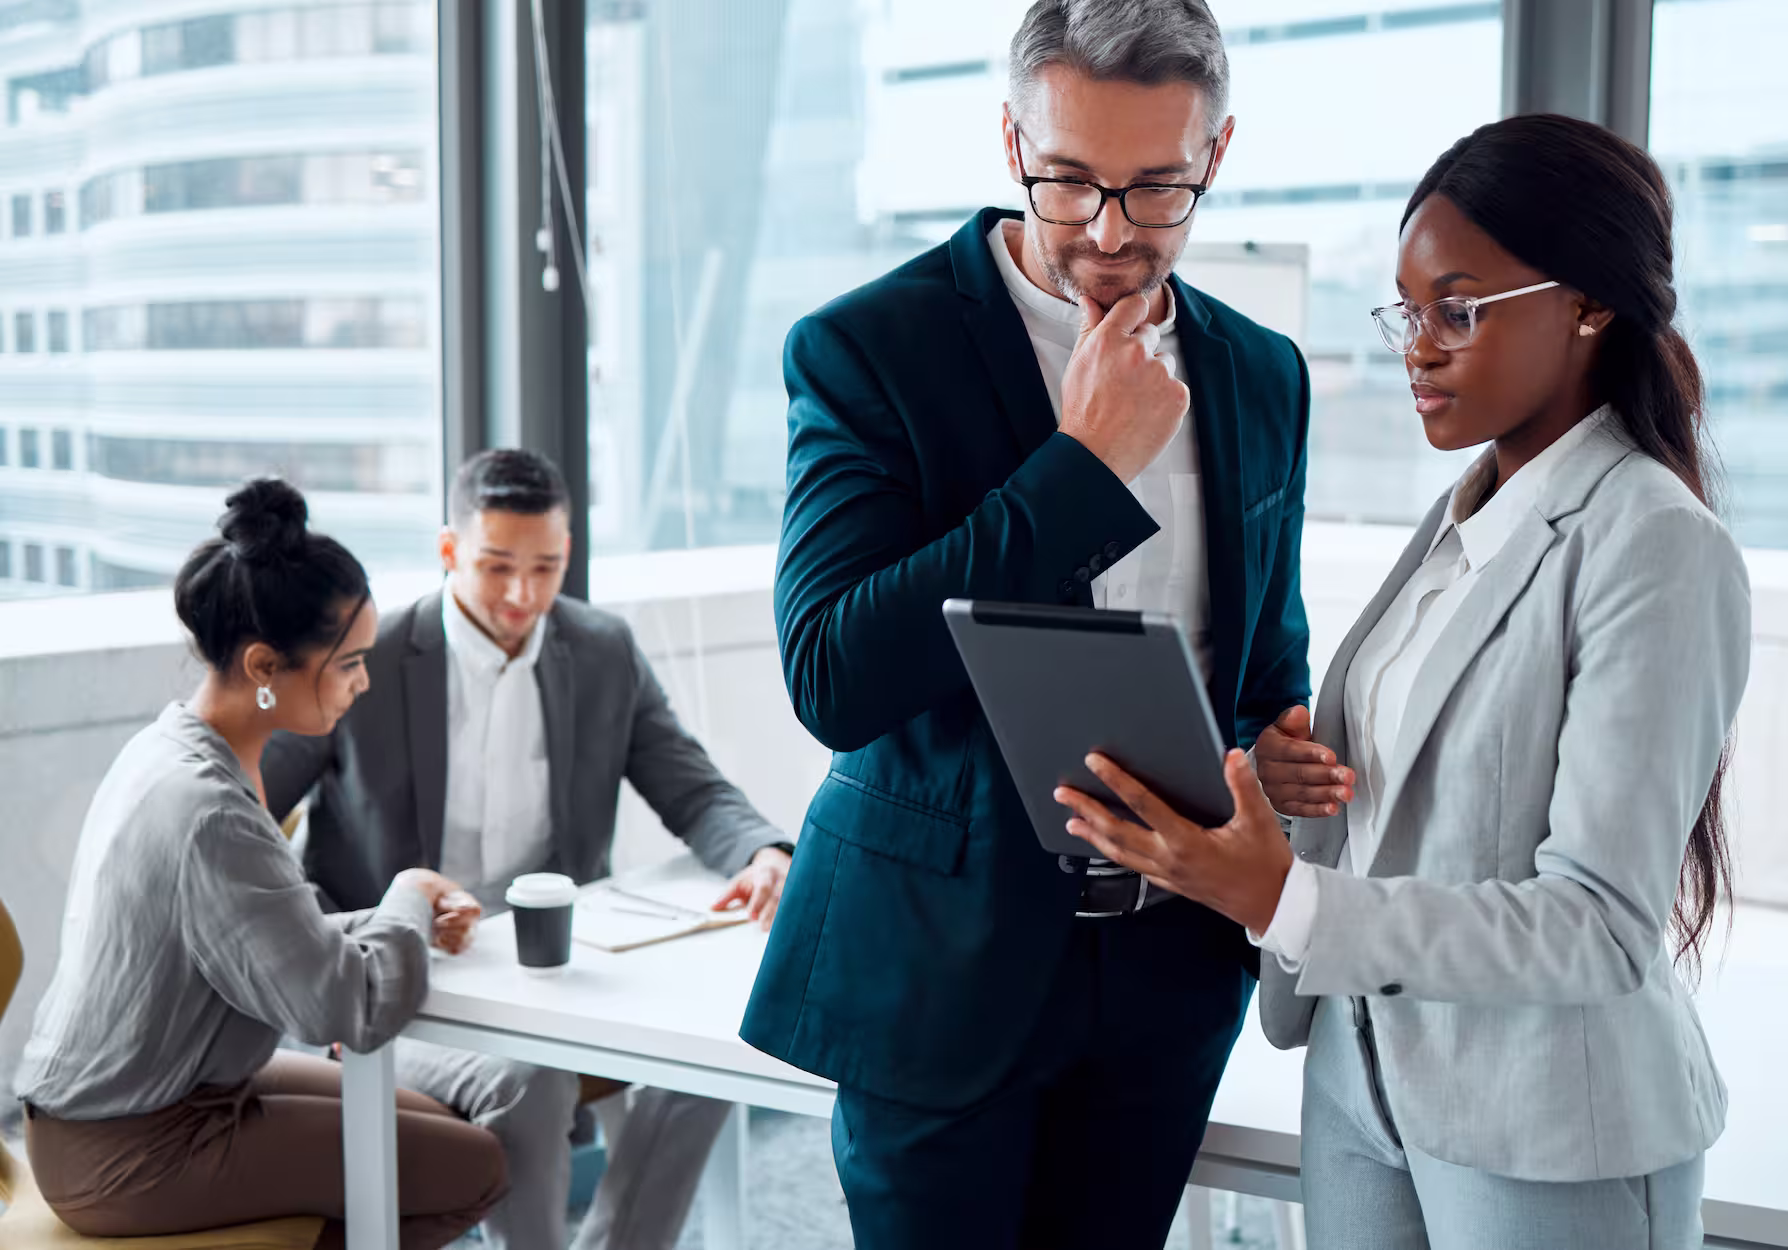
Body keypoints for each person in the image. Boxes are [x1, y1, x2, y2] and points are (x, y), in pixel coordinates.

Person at [1057, 113, 1750, 1250]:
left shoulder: (1654, 543)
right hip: (1364, 1080)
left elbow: (1595, 927)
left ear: (1589, 303)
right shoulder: (1462, 516)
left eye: (1459, 310)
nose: (1417, 345)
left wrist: (1283, 898)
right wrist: (1300, 778)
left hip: (1545, 1120)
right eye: (1408, 310)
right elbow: (1419, 794)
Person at [740, 2, 1313, 1246]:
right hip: (940, 968)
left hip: (1168, 976)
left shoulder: (1264, 372)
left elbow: (1261, 656)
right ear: (1012, 140)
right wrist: (1081, 470)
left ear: (1215, 156)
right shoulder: (866, 348)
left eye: (1157, 190)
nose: (1108, 232)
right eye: (1068, 181)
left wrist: (1276, 740)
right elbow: (834, 671)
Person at [262, 448, 794, 1250]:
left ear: (569, 552)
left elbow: (694, 789)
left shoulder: (603, 649)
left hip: (556, 972)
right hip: (409, 982)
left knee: (727, 1039)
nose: (523, 594)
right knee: (532, 1081)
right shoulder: (364, 661)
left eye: (546, 567)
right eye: (497, 566)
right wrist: (322, 959)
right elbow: (248, 812)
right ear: (450, 552)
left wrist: (763, 853)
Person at [12, 479, 506, 1250]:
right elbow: (348, 1011)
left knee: (429, 1126)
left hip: (143, 1102)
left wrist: (388, 919)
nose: (363, 683)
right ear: (265, 666)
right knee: (471, 1166)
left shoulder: (172, 747)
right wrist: (407, 892)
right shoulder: (208, 807)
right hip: (126, 1148)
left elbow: (264, 928)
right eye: (348, 663)